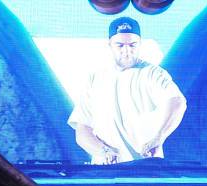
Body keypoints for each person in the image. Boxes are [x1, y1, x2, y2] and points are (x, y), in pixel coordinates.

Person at [68, 17, 186, 165]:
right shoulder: (95, 78)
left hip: (146, 170)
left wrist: (159, 137)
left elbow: (177, 102)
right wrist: (103, 151)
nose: (127, 51)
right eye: (120, 45)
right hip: (104, 173)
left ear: (140, 44)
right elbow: (82, 130)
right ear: (109, 45)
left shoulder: (153, 74)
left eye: (132, 45)